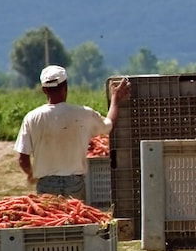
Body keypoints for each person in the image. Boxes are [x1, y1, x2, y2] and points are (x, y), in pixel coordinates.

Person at [14, 65, 130, 201]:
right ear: (66, 87)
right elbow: (108, 125)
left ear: (44, 90)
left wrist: (30, 174)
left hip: (46, 184)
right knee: (76, 215)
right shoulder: (83, 113)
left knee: (51, 214)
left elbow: (23, 159)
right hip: (75, 183)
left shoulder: (31, 118)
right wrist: (115, 99)